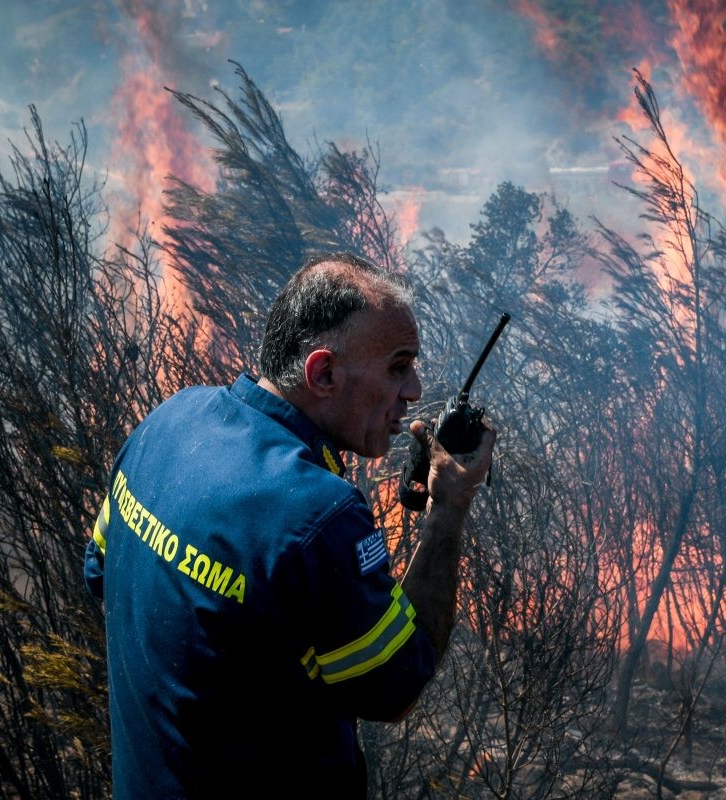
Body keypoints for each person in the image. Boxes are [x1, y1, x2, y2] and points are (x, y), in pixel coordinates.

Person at [84, 253, 495, 797]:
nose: (415, 390)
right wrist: (448, 507)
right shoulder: (318, 515)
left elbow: (102, 574)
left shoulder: (168, 420)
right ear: (322, 372)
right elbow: (397, 683)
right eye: (398, 366)